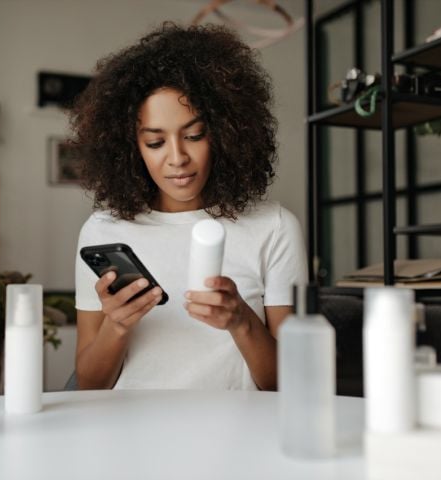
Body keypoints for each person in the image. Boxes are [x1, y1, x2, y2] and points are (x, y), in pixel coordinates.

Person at [69, 22, 307, 391]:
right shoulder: (102, 232)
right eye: (155, 142)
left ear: (227, 133)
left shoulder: (273, 227)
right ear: (131, 148)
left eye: (194, 136)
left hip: (236, 439)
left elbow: (293, 385)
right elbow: (89, 385)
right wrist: (116, 325)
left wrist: (242, 321)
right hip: (129, 438)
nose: (177, 158)